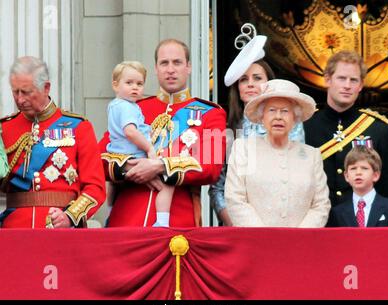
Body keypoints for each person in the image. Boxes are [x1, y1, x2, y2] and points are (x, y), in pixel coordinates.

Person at [99, 39, 226, 227]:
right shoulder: (132, 108)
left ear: (188, 67)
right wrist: (131, 168)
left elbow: (210, 167)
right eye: (164, 63)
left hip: (176, 223)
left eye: (177, 62)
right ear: (156, 68)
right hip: (126, 220)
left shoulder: (211, 113)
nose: (170, 69)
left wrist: (159, 166)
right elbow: (99, 157)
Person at [208, 35, 305, 226]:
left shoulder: (291, 122)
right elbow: (217, 187)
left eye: (257, 78)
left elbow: (296, 176)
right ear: (238, 87)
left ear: (269, 83)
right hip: (236, 227)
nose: (250, 84)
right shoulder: (225, 126)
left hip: (281, 223)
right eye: (244, 79)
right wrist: (234, 224)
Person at [0, 56, 106, 228]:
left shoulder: (79, 127)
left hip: (61, 229)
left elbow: (95, 187)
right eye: (15, 91)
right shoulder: (4, 128)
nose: (19, 99)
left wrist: (70, 216)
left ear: (46, 88)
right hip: (14, 229)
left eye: (26, 92)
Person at [225, 79, 331, 227]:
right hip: (255, 243)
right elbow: (235, 199)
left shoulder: (311, 155)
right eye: (272, 110)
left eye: (285, 111)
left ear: (295, 118)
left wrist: (300, 236)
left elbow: (321, 204)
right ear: (262, 116)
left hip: (300, 245)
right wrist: (266, 237)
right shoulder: (243, 149)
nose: (278, 117)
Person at [304, 50, 388, 206]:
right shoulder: (306, 125)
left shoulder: (378, 128)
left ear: (360, 85)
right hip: (317, 220)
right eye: (341, 78)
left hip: (361, 222)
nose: (347, 85)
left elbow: (387, 185)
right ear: (327, 80)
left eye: (353, 80)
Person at [106, 61, 174, 227]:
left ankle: (109, 211)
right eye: (129, 83)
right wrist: (150, 148)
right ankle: (163, 223)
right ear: (115, 85)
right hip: (135, 155)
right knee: (168, 185)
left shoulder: (115, 105)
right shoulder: (128, 107)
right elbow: (130, 131)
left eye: (139, 84)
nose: (135, 87)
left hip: (119, 155)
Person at [327, 146, 388, 227]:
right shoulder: (337, 212)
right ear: (346, 176)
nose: (358, 172)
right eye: (353, 168)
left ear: (375, 175)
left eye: (364, 168)